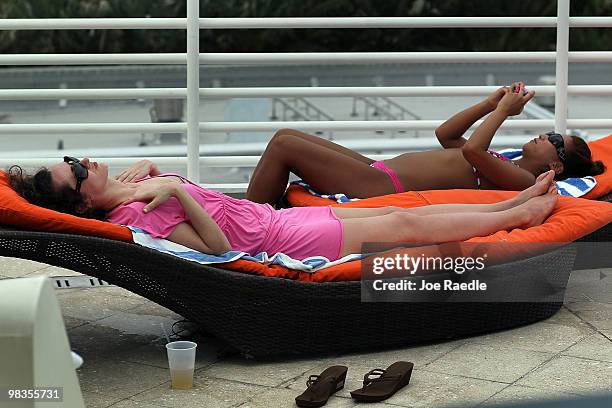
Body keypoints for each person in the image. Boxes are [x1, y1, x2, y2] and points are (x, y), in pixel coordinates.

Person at [8, 156, 558, 261]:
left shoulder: (128, 187)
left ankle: (511, 201)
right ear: (81, 198)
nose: (85, 162)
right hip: (276, 243)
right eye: (76, 172)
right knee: (402, 223)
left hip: (280, 219)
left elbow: (187, 188)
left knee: (393, 211)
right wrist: (173, 192)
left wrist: (157, 172)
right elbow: (219, 252)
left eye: (71, 158)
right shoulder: (133, 217)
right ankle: (517, 217)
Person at [245, 83, 605, 205]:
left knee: (284, 149)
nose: (545, 134)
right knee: (285, 137)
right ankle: (259, 209)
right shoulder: (505, 161)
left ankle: (247, 223)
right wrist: (489, 105)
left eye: (555, 140)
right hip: (377, 168)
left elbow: (471, 151)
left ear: (556, 167)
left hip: (380, 186)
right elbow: (446, 135)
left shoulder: (526, 182)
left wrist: (504, 114)